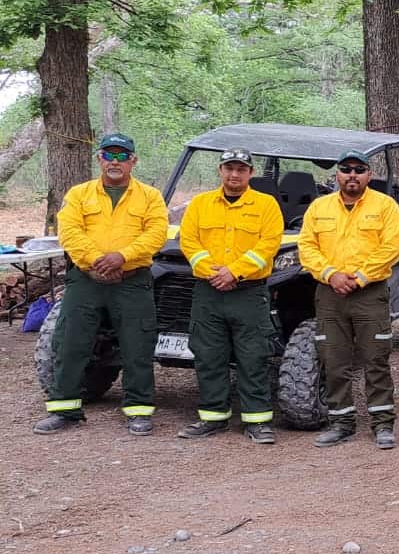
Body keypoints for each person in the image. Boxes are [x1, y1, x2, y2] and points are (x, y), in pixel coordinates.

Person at [34, 133, 168, 436]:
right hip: (86, 279)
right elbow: (69, 232)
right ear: (99, 159)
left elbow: (156, 233)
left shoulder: (150, 196)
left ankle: (138, 411)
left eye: (122, 156)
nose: (115, 162)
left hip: (132, 280)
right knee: (70, 341)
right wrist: (96, 261)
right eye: (109, 155)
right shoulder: (79, 194)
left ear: (133, 160)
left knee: (137, 345)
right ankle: (64, 409)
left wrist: (121, 257)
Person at [176, 148, 286, 443]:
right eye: (229, 168)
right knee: (209, 355)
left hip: (248, 292)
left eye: (241, 169)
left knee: (253, 356)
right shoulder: (200, 204)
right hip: (208, 291)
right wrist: (210, 270)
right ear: (220, 170)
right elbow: (188, 240)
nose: (234, 174)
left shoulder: (266, 205)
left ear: (250, 173)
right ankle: (213, 417)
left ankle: (257, 421)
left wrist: (234, 272)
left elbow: (268, 246)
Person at [298, 150, 399, 448]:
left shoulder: (385, 206)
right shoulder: (319, 208)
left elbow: (392, 247)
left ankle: (383, 424)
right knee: (334, 360)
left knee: (376, 359)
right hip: (329, 293)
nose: (352, 175)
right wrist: (330, 274)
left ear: (369, 175)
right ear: (337, 175)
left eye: (359, 170)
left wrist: (359, 277)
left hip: (369, 294)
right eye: (346, 169)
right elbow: (307, 247)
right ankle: (341, 422)